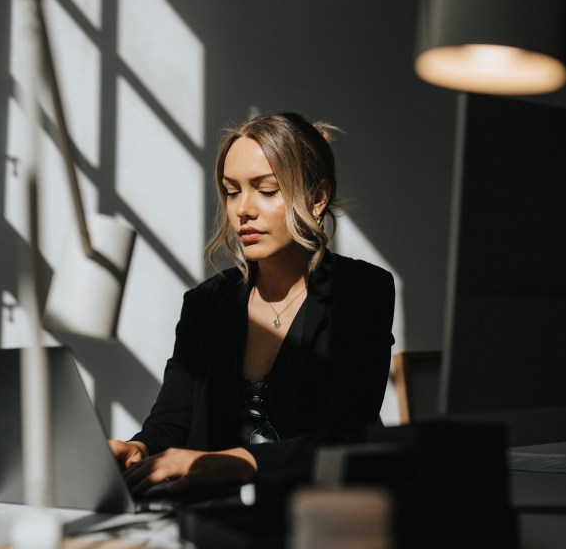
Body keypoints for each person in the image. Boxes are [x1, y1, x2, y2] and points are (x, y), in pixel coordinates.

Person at [109, 112, 395, 495]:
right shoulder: (205, 304)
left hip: (323, 513)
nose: (243, 209)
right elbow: (172, 421)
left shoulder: (362, 291)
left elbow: (347, 434)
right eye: (232, 191)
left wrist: (240, 462)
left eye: (266, 189)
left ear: (317, 198)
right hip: (213, 517)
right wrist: (137, 447)